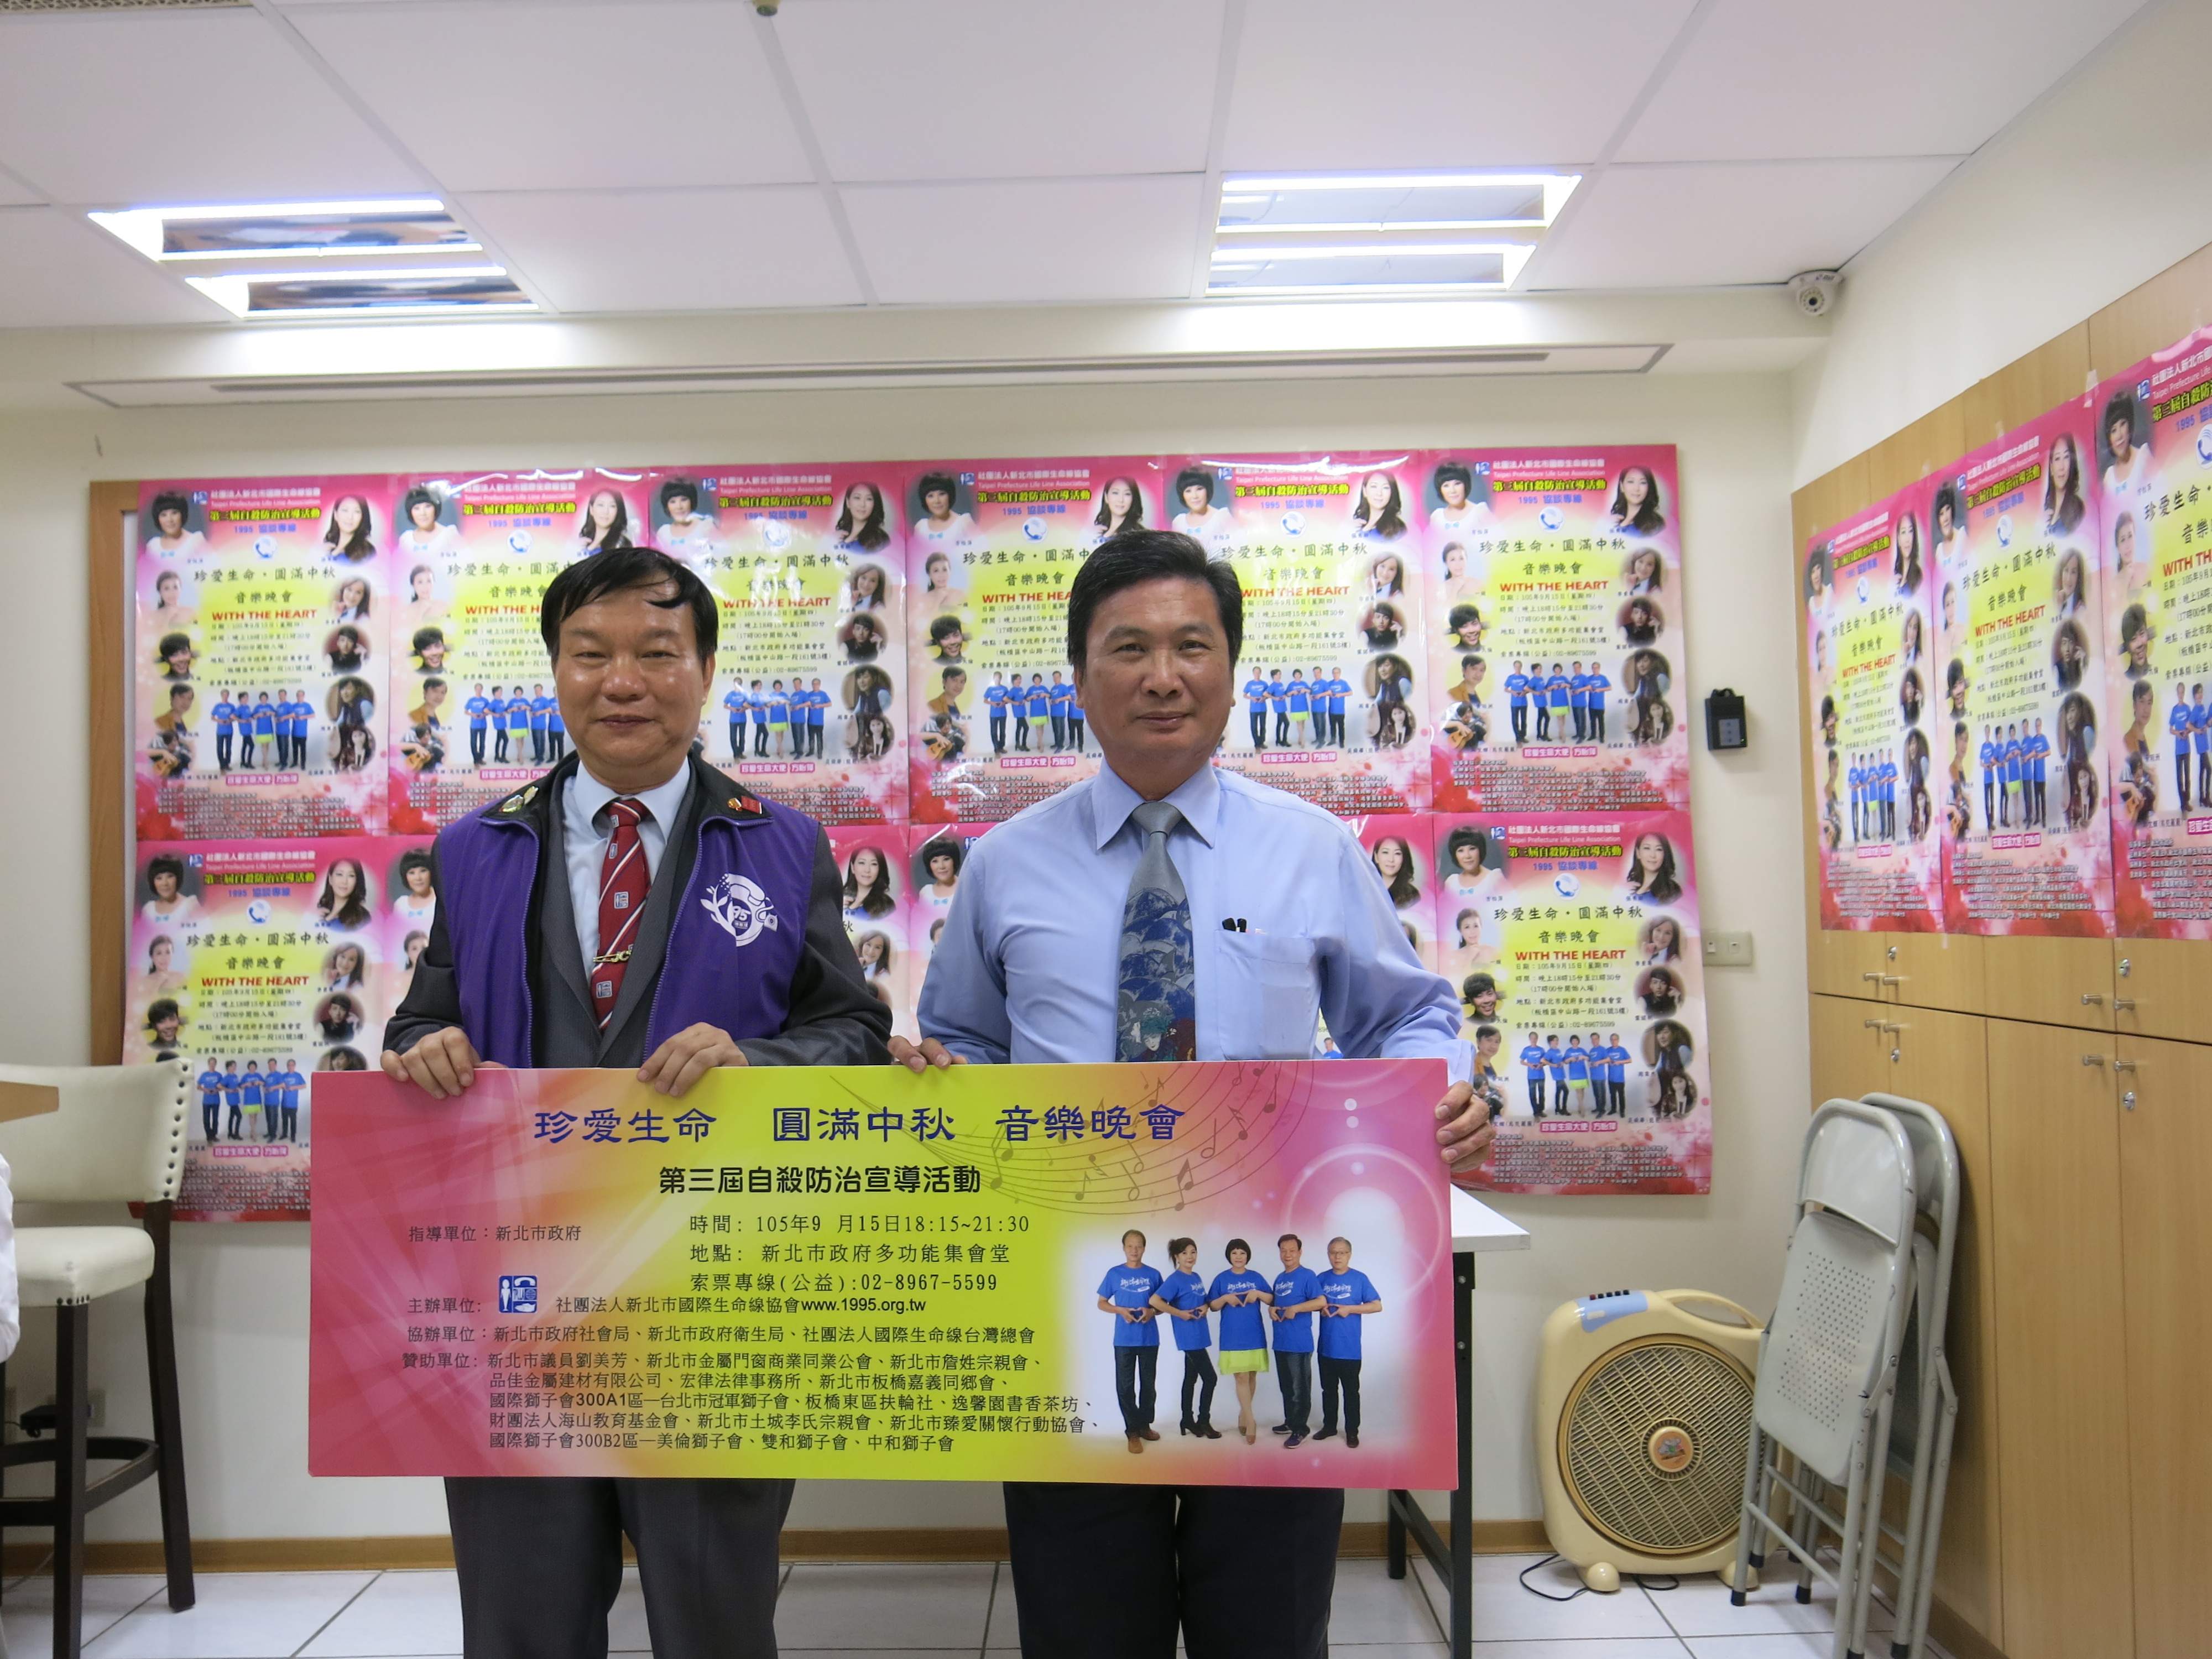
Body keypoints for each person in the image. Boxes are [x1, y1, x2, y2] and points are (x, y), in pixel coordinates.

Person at [893, 530, 1493, 1659]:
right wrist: (944, 1082)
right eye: (1128, 649)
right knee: (1084, 1625)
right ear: (1079, 680)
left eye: (1190, 647)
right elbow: (963, 1037)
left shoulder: (1313, 850)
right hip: (1071, 1285)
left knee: (1265, 1624)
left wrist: (1445, 1092)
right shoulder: (1004, 864)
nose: (1161, 677)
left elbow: (1407, 1016)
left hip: (1266, 1271)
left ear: (1229, 670)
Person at [382, 544, 889, 1659]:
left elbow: (851, 1029)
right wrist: (424, 1048)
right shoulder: (475, 849)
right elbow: (420, 1022)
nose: (623, 682)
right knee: (522, 1623)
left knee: (714, 1620)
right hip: (519, 1300)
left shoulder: (782, 843)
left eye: (657, 653)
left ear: (703, 672)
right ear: (555, 672)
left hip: (713, 1293)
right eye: (590, 654)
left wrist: (758, 1061)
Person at [1098, 1231, 1164, 1453]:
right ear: (1124, 1248)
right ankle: (1132, 1432)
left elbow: (1163, 1305)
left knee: (1148, 1386)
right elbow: (1102, 1302)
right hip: (1124, 1340)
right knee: (1125, 1387)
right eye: (1130, 1246)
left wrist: (1152, 1311)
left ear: (1144, 1248)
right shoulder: (1114, 1273)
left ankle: (1145, 1426)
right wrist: (1120, 1311)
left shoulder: (1154, 1275)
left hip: (1149, 1339)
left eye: (1138, 1246)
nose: (1134, 1250)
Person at [1314, 1238, 1380, 1446]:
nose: (1337, 1256)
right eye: (1333, 1252)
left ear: (1349, 1255)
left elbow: (1377, 1305)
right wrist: (1320, 1308)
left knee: (1351, 1393)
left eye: (1342, 1252)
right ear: (1328, 1254)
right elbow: (1312, 1302)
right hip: (1326, 1348)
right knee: (1328, 1391)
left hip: (1350, 1349)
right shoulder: (1321, 1278)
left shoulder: (1359, 1279)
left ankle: (1352, 1431)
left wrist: (1349, 1309)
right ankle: (1329, 1426)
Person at [1150, 1238, 1218, 1438]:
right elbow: (1155, 1301)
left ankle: (1187, 1420)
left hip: (1200, 1333)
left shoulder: (1195, 1276)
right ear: (1177, 1257)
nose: (1190, 1257)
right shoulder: (1175, 1280)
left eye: (1193, 1252)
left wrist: (1205, 1306)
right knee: (1211, 1378)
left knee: (1191, 1378)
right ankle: (1204, 1421)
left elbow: (1202, 1300)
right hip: (1189, 1337)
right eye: (1185, 1253)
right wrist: (1180, 1313)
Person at [1207, 1240, 1271, 1443]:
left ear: (1248, 1256)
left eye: (1242, 1253)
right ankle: (1251, 1421)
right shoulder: (1221, 1279)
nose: (1238, 1256)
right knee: (1241, 1377)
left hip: (1254, 1333)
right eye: (1234, 1253)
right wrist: (1225, 1298)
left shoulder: (1256, 1277)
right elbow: (1212, 1306)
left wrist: (1258, 1293)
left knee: (1251, 1375)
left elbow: (1272, 1299)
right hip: (1232, 1336)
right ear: (1229, 1256)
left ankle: (1244, 1414)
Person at [1267, 1234, 1325, 1446]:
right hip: (1281, 1342)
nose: (1288, 1254)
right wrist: (1272, 1309)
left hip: (1299, 1344)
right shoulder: (1280, 1278)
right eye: (1283, 1250)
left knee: (1300, 1389)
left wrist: (1297, 1308)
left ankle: (1301, 1428)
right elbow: (1275, 1303)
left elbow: (1321, 1301)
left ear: (1300, 1252)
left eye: (1292, 1250)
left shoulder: (1307, 1275)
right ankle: (1291, 1422)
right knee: (1287, 1387)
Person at [1168, 467, 1235, 550]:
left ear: (1208, 490)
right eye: (1188, 491)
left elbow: (1239, 547)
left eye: (1199, 489)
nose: (1195, 496)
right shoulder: (1179, 522)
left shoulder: (1222, 517)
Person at [652, 479, 718, 554]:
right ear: (667, 506)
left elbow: (723, 555)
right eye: (673, 502)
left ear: (692, 502)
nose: (679, 507)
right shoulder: (663, 532)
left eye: (684, 500)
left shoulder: (706, 527)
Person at [1430, 461, 1494, 537]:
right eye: (1446, 486)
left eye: (1457, 484)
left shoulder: (1480, 512)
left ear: (1466, 485)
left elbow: (1499, 539)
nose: (1452, 491)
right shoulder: (1437, 517)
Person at [399, 488, 461, 559]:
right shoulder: (406, 539)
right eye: (417, 508)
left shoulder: (449, 535)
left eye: (428, 507)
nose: (423, 513)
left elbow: (465, 561)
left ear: (436, 508)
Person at [318, 857, 372, 931]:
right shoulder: (319, 912)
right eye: (340, 874)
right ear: (330, 879)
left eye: (351, 876)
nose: (345, 881)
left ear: (357, 881)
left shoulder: (362, 917)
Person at [834, 483, 891, 552]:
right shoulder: (838, 536)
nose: (862, 505)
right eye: (857, 498)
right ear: (848, 502)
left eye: (869, 499)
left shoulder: (881, 540)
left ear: (875, 504)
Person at [140, 855, 197, 925]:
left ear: (178, 878)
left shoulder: (190, 905)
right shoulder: (148, 910)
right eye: (159, 878)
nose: (165, 883)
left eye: (170, 876)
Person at [145, 493, 206, 557]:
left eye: (174, 513)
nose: (169, 520)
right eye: (163, 515)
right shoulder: (153, 546)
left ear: (182, 515)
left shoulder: (196, 541)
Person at [572, 488, 632, 554]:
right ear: (591, 509)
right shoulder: (581, 543)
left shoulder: (622, 545)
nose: (606, 511)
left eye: (612, 506)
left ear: (618, 511)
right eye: (601, 505)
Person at [1611, 465, 1665, 536]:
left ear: (1649, 487)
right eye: (1631, 482)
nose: (1636, 489)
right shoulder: (1613, 521)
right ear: (1622, 486)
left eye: (1643, 483)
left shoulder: (1655, 525)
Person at [1369, 835, 1418, 911]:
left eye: (1397, 853)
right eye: (1385, 852)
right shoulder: (1366, 890)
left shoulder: (1411, 895)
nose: (1391, 860)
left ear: (1404, 858)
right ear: (1376, 857)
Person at [1352, 473, 1407, 540]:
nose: (1379, 493)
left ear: (1392, 492)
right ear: (1365, 491)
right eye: (1374, 487)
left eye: (1385, 488)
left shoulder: (1397, 529)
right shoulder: (1357, 525)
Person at [324, 495, 375, 563]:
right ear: (336, 515)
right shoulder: (326, 548)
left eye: (357, 511)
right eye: (345, 510)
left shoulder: (367, 553)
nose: (350, 517)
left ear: (363, 517)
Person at [1093, 476, 1145, 542]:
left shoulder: (1137, 536)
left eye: (1127, 494)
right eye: (1115, 493)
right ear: (1106, 497)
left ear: (1133, 499)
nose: (1121, 500)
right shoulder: (1097, 530)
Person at [2171, 685, 2195, 813]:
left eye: (2182, 693)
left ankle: (2187, 802)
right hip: (2178, 750)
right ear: (2177, 693)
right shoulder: (2175, 710)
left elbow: (2192, 726)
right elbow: (2171, 729)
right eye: (2179, 693)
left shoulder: (2187, 708)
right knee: (2180, 778)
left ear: (2184, 693)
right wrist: (2177, 733)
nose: (2181, 695)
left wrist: (2187, 732)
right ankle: (2182, 805)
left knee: (2187, 776)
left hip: (2187, 748)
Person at [1891, 508, 1924, 597]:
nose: (1907, 539)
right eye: (1903, 532)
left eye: (1910, 531)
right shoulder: (1895, 577)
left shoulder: (1919, 575)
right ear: (1898, 539)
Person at [196, 1060, 223, 1144]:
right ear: (208, 1064)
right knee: (206, 1120)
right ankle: (209, 1137)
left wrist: (217, 1090)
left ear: (216, 1064)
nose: (212, 1065)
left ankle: (214, 1136)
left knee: (215, 1119)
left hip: (216, 1100)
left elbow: (222, 1087)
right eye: (211, 1063)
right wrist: (205, 1090)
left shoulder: (219, 1075)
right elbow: (198, 1086)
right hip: (206, 1101)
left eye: (214, 1063)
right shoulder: (204, 1075)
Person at [1047, 671, 1072, 750]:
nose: (1056, 679)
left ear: (1061, 678)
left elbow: (1069, 697)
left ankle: (1061, 745)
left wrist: (1059, 700)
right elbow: (1051, 698)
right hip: (1053, 713)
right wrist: (1050, 701)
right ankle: (1057, 743)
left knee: (1060, 730)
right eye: (1054, 677)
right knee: (1055, 729)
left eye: (1057, 677)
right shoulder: (1053, 688)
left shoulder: (1063, 687)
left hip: (1060, 713)